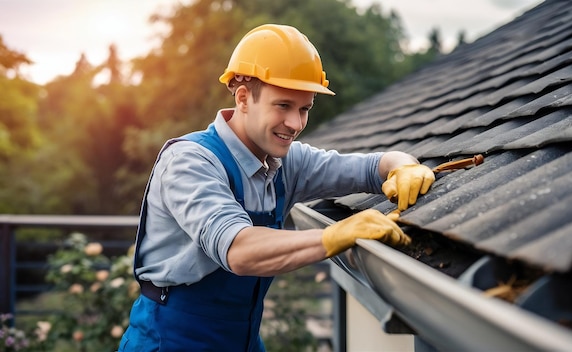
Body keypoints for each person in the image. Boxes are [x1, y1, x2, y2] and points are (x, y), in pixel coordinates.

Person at [118, 23, 435, 351]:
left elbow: (372, 167)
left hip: (241, 340)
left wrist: (404, 166)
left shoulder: (286, 162)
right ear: (243, 98)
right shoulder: (190, 162)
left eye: (304, 109)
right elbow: (238, 249)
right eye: (283, 105)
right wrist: (337, 235)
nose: (296, 124)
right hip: (171, 340)